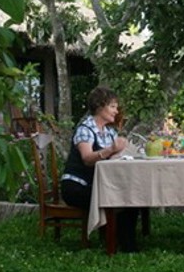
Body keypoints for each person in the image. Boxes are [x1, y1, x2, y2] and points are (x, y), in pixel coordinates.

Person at [60, 86, 140, 252]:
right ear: (100, 106)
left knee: (132, 195)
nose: (116, 111)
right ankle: (120, 243)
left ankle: (122, 241)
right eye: (112, 106)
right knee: (121, 198)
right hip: (76, 187)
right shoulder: (85, 129)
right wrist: (111, 150)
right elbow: (88, 159)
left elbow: (114, 157)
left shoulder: (109, 132)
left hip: (96, 185)